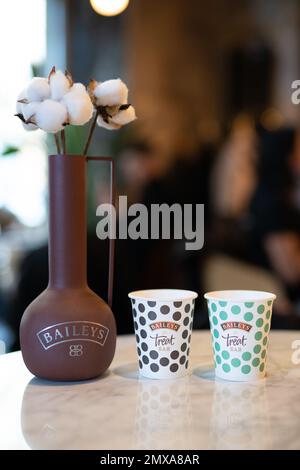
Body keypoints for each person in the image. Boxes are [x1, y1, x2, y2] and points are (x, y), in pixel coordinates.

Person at [246, 128, 300, 324]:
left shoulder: (275, 195)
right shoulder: (271, 202)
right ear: (286, 156)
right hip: (280, 306)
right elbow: (291, 272)